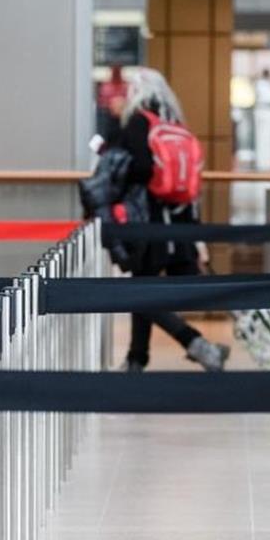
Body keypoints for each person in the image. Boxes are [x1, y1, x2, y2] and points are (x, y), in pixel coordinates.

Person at [109, 67, 230, 373]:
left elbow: (139, 170)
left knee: (140, 291)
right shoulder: (173, 121)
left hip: (148, 218)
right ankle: (136, 359)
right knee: (143, 287)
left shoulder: (138, 122)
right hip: (179, 217)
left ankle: (197, 345)